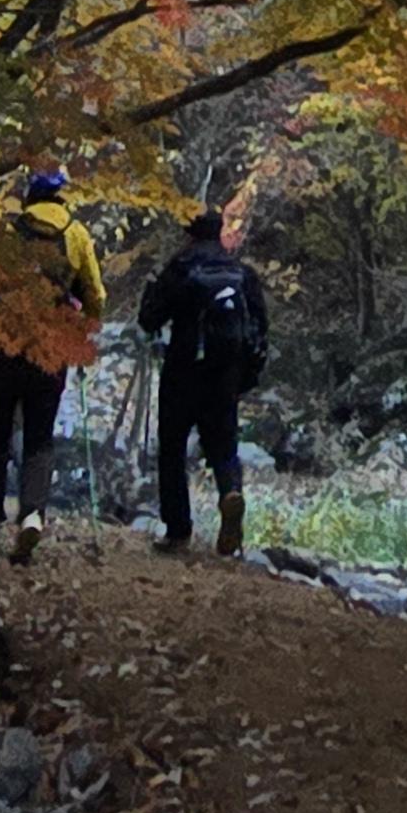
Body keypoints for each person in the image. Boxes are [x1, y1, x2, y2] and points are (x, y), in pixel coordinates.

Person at [0, 166, 106, 564]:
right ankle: (32, 514)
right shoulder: (76, 235)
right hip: (49, 349)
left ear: (29, 198)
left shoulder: (7, 233)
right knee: (39, 435)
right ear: (60, 197)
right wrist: (83, 330)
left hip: (1, 348)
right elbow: (96, 295)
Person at [135, 208, 268, 558]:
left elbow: (149, 319)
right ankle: (230, 493)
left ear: (190, 234)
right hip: (225, 376)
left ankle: (178, 530)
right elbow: (260, 328)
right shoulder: (240, 273)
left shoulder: (181, 269)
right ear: (219, 232)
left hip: (183, 371)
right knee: (224, 445)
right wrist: (247, 376)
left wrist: (151, 288)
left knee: (173, 449)